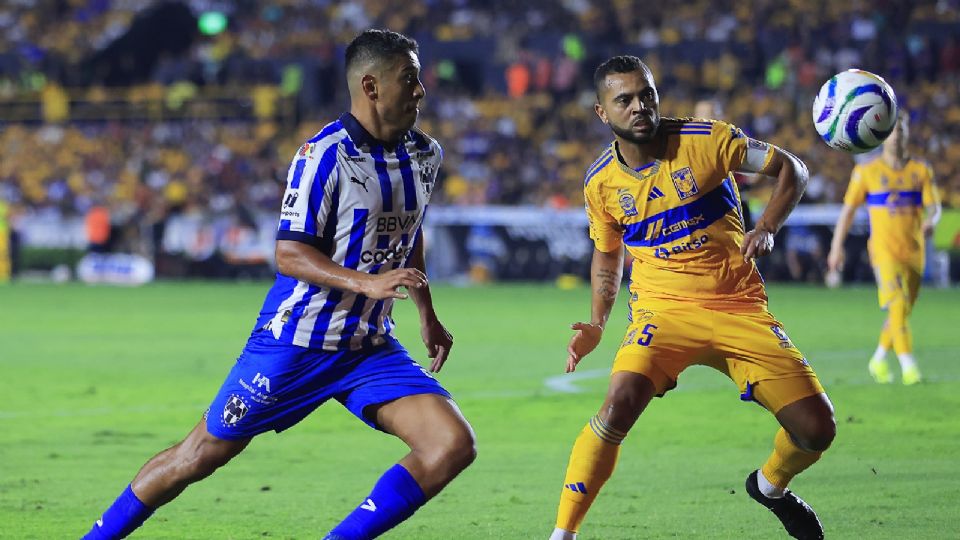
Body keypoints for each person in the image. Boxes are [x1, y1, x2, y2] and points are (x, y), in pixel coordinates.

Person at [83, 29, 476, 540]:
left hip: (367, 348)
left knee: (451, 444)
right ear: (371, 86)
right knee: (197, 455)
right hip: (295, 342)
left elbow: (409, 231)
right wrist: (366, 282)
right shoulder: (323, 156)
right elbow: (288, 254)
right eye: (411, 78)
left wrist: (426, 312)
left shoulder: (425, 154)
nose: (422, 89)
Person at [549, 56, 834, 540]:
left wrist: (766, 226)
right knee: (618, 402)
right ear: (602, 113)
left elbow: (793, 169)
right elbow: (607, 254)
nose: (640, 107)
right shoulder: (600, 183)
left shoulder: (707, 140)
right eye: (625, 100)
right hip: (664, 312)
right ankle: (562, 535)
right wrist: (597, 321)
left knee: (816, 429)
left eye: (647, 95)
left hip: (737, 305)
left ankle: (770, 486)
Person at [827, 111, 941, 386]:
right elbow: (847, 212)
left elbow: (934, 207)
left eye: (901, 130)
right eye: (892, 131)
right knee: (897, 303)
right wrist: (836, 247)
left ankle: (878, 358)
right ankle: (909, 367)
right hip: (883, 251)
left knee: (900, 311)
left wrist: (930, 221)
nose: (897, 135)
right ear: (883, 135)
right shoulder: (867, 172)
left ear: (907, 133)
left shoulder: (920, 170)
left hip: (914, 251)